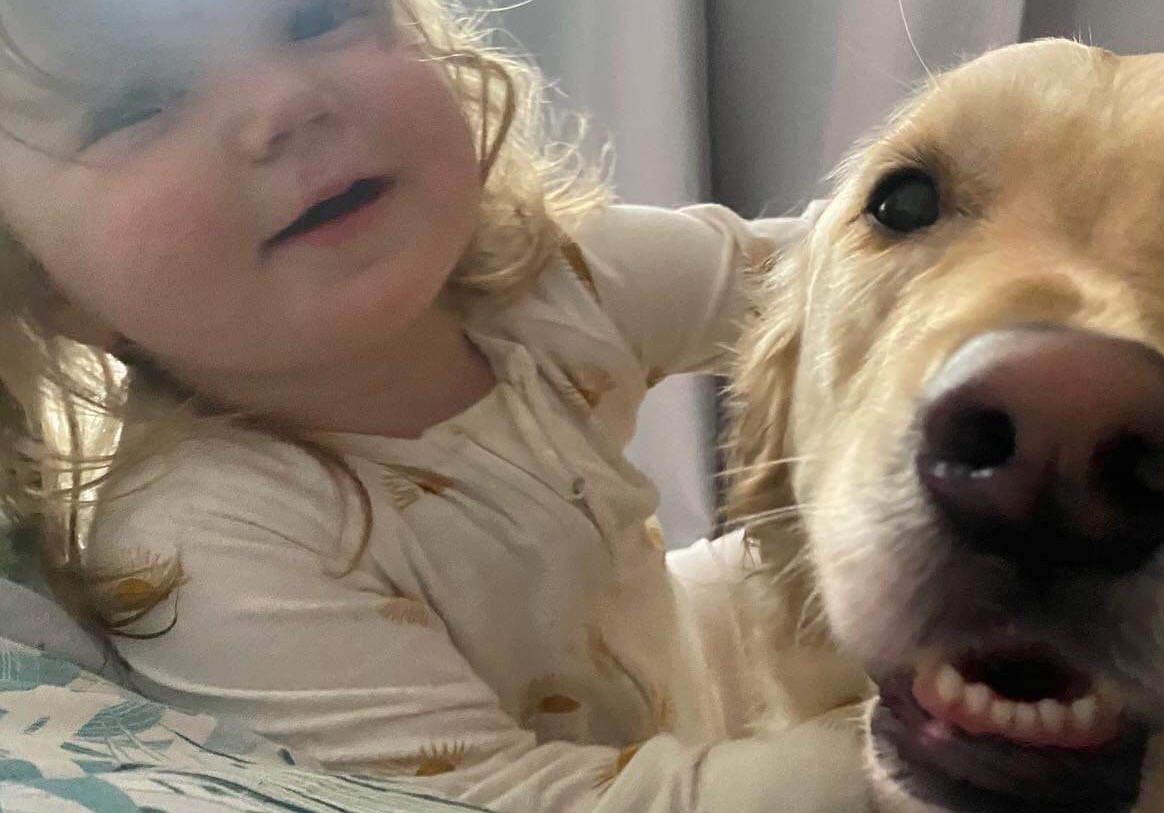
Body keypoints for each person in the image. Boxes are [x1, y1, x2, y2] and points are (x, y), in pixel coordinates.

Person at [0, 1, 869, 810]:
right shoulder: (197, 541)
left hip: (676, 678)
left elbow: (858, 281)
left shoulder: (552, 281)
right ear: (44, 284)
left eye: (318, 16)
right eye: (139, 104)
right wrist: (894, 748)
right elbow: (499, 799)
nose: (287, 103)